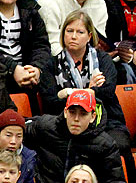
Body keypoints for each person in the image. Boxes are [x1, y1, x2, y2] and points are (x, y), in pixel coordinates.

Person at [26, 89, 127, 183]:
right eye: (72, 112)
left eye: (83, 114)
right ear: (65, 112)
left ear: (92, 117)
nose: (76, 119)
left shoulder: (105, 144)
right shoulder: (45, 127)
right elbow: (15, 130)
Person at [49, 11, 125, 143]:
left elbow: (107, 93)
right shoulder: (51, 64)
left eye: (80, 32)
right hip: (68, 123)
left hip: (107, 120)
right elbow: (51, 102)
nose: (73, 36)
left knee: (117, 144)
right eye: (69, 31)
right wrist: (90, 91)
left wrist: (68, 92)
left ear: (89, 36)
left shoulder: (103, 60)